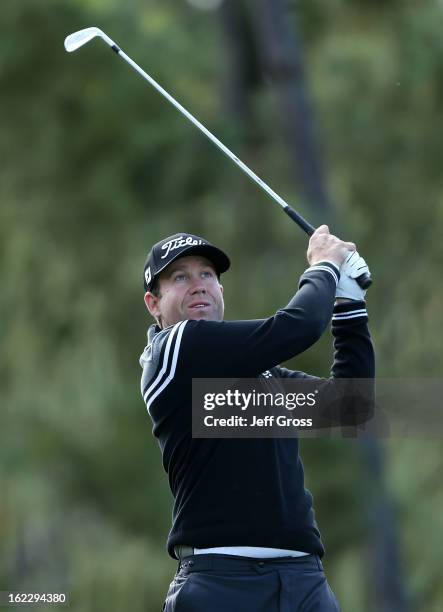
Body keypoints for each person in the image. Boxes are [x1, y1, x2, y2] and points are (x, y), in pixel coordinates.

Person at [139, 228, 375, 611]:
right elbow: (297, 326)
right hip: (221, 582)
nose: (198, 285)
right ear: (154, 303)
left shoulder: (265, 376)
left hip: (304, 583)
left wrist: (350, 305)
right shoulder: (172, 352)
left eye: (207, 275)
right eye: (180, 277)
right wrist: (325, 267)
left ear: (221, 291)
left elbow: (351, 407)